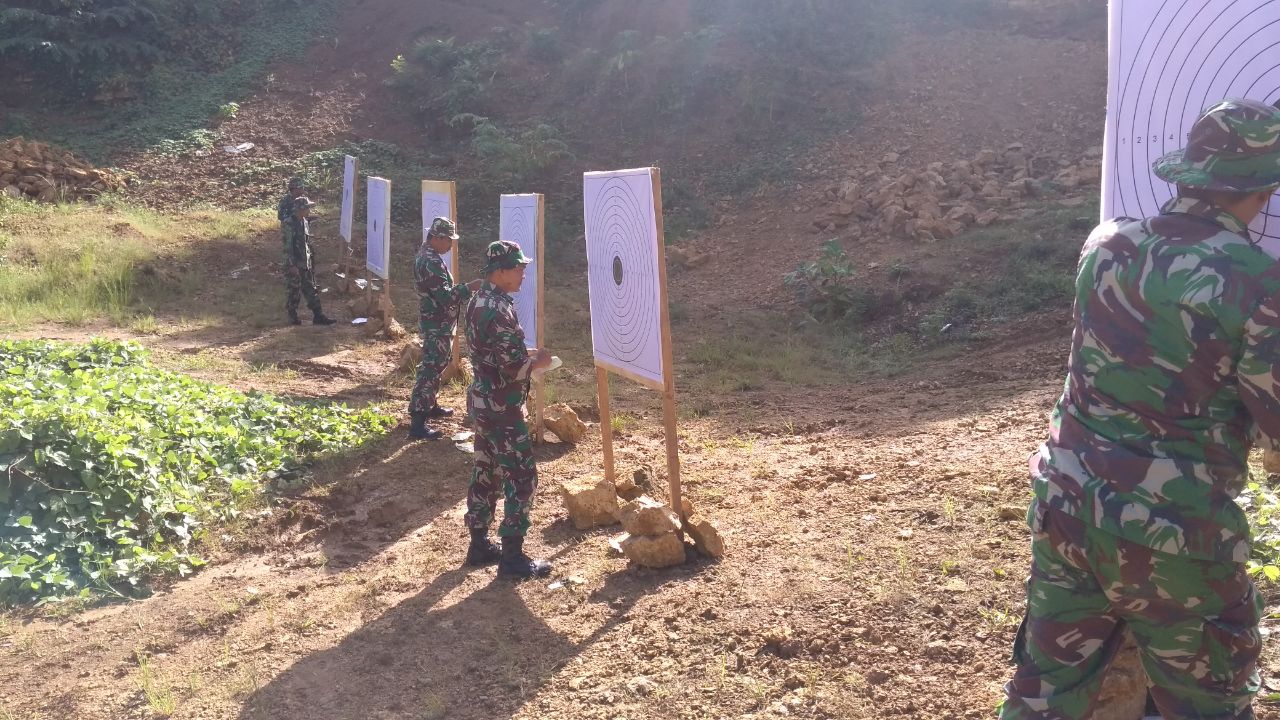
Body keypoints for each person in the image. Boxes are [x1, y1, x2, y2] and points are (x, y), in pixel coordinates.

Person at [1001, 98, 1280, 719]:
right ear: (1262, 189)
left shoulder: (1105, 245)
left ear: (1188, 174)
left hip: (1067, 506)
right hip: (1174, 536)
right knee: (1211, 705)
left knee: (1045, 695)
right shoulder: (1258, 283)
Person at [462, 240, 554, 577]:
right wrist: (538, 360)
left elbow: (491, 350)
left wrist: (521, 352)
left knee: (485, 470)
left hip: (483, 402)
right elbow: (512, 367)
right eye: (518, 267)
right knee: (522, 476)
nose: (523, 272)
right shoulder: (499, 308)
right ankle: (512, 557)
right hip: (503, 406)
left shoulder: (478, 300)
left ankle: (479, 542)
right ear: (500, 272)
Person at [409, 217, 481, 440]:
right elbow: (445, 297)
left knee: (437, 364)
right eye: (449, 240)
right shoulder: (430, 262)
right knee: (430, 367)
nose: (451, 245)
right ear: (438, 238)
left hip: (437, 322)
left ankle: (430, 405)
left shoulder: (429, 256)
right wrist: (469, 288)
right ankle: (418, 421)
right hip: (437, 323)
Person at [282, 196, 336, 326]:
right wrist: (292, 265)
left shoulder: (305, 222)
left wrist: (310, 260)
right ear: (301, 209)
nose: (309, 210)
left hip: (305, 262)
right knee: (294, 290)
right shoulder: (288, 224)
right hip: (294, 263)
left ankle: (318, 315)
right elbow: (288, 247)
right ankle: (292, 316)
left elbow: (305, 243)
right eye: (307, 208)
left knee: (311, 289)